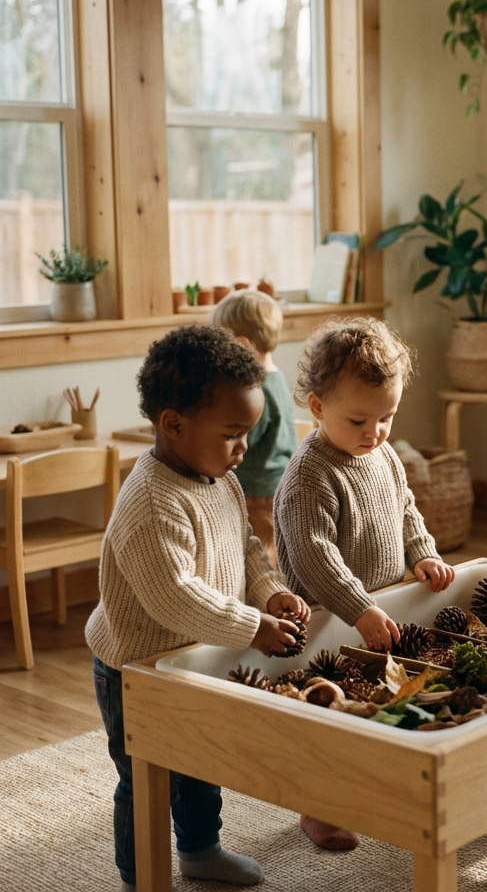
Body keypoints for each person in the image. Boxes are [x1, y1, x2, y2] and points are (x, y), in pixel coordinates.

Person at [86, 325, 310, 892]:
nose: (245, 448)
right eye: (233, 434)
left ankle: (200, 849)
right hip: (135, 666)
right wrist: (252, 625)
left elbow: (245, 550)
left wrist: (268, 593)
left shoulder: (220, 480)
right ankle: (141, 876)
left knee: (201, 760)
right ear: (173, 424)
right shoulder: (152, 502)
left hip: (194, 656)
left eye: (249, 434)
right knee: (145, 777)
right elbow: (176, 597)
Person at [274, 316, 455, 850]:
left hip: (378, 605)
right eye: (358, 420)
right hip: (328, 617)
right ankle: (318, 806)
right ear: (316, 407)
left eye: (386, 418)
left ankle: (377, 788)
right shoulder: (311, 474)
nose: (374, 432)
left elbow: (404, 508)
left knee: (376, 702)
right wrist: (357, 607)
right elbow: (313, 553)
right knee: (327, 715)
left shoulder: (382, 453)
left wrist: (423, 553)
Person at [211, 288, 297, 569]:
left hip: (257, 494)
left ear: (242, 345)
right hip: (275, 485)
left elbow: (240, 442)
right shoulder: (277, 378)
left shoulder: (254, 390)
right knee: (269, 552)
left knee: (260, 560)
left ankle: (270, 605)